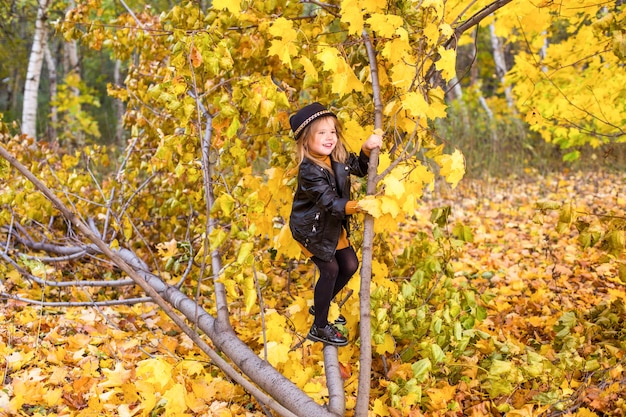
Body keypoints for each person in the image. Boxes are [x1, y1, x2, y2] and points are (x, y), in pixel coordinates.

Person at [288, 102, 382, 346]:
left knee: (350, 265)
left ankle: (322, 305)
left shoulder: (336, 158)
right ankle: (319, 326)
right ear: (306, 141)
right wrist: (360, 206)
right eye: (321, 133)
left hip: (330, 226)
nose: (329, 137)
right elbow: (329, 202)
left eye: (332, 131)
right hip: (312, 230)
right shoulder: (309, 170)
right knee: (330, 270)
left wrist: (365, 149)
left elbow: (360, 168)